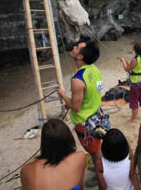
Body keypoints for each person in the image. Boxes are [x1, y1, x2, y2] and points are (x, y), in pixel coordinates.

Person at [57, 39, 103, 187]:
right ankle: (98, 163)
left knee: (95, 153)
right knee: (96, 148)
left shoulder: (78, 80)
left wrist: (64, 96)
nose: (74, 46)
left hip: (86, 123)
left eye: (78, 47)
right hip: (97, 116)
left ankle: (99, 173)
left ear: (80, 57)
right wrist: (72, 101)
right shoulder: (94, 69)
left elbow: (76, 108)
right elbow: (89, 95)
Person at [20, 119, 86, 190]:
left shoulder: (26, 170)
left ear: (44, 143)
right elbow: (80, 186)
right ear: (69, 138)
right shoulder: (80, 157)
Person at [119, 43, 141, 123]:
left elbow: (127, 69)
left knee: (134, 101)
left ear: (135, 50)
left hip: (135, 83)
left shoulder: (135, 59)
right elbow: (134, 67)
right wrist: (127, 62)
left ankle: (133, 119)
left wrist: (122, 61)